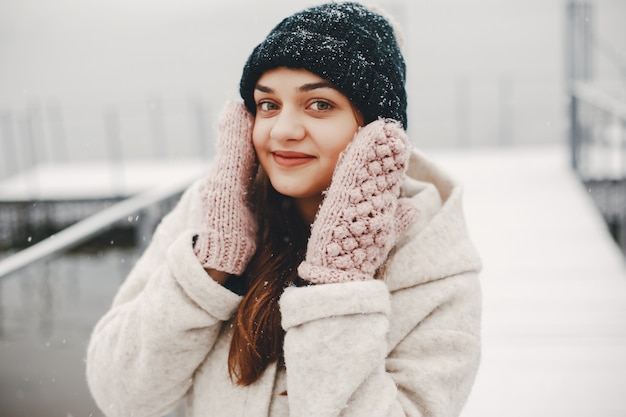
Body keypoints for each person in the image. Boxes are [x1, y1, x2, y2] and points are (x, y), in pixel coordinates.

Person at [86, 2, 482, 417]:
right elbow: (121, 396)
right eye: (268, 105)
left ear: (376, 131)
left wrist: (339, 281)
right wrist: (212, 265)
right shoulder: (208, 215)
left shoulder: (432, 257)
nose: (283, 131)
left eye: (320, 105)